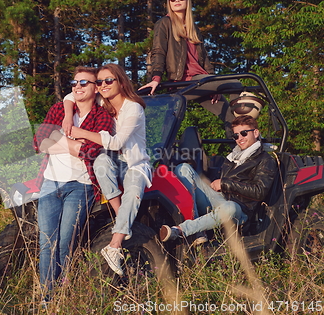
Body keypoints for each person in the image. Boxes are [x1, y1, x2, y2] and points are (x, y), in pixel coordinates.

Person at [63, 63, 152, 276]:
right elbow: (71, 95)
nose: (103, 85)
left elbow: (116, 142)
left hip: (134, 163)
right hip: (112, 162)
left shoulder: (133, 108)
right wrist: (68, 115)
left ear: (121, 82)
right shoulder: (104, 102)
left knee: (132, 188)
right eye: (100, 82)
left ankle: (114, 244)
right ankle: (121, 215)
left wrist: (80, 132)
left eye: (108, 81)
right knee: (100, 162)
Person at [33, 66, 114, 297]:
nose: (77, 86)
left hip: (81, 185)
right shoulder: (59, 109)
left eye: (84, 83)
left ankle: (65, 292)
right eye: (74, 82)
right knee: (47, 242)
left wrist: (57, 138)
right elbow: (38, 142)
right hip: (50, 183)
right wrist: (73, 144)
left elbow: (91, 150)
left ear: (96, 88)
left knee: (65, 242)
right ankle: (48, 299)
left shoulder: (102, 116)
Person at [139, 0, 242, 137]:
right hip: (183, 82)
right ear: (169, 2)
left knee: (230, 118)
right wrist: (156, 78)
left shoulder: (194, 29)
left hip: (202, 81)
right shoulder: (164, 24)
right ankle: (161, 153)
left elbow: (204, 59)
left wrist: (216, 87)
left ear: (187, 1)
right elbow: (159, 51)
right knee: (235, 83)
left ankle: (239, 146)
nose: (176, 0)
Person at [160, 115, 277, 242]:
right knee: (183, 168)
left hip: (240, 210)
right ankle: (198, 229)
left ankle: (182, 230)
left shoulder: (265, 160)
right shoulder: (233, 157)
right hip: (219, 200)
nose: (240, 138)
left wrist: (225, 184)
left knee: (230, 207)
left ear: (255, 132)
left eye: (244, 133)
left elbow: (259, 191)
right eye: (236, 135)